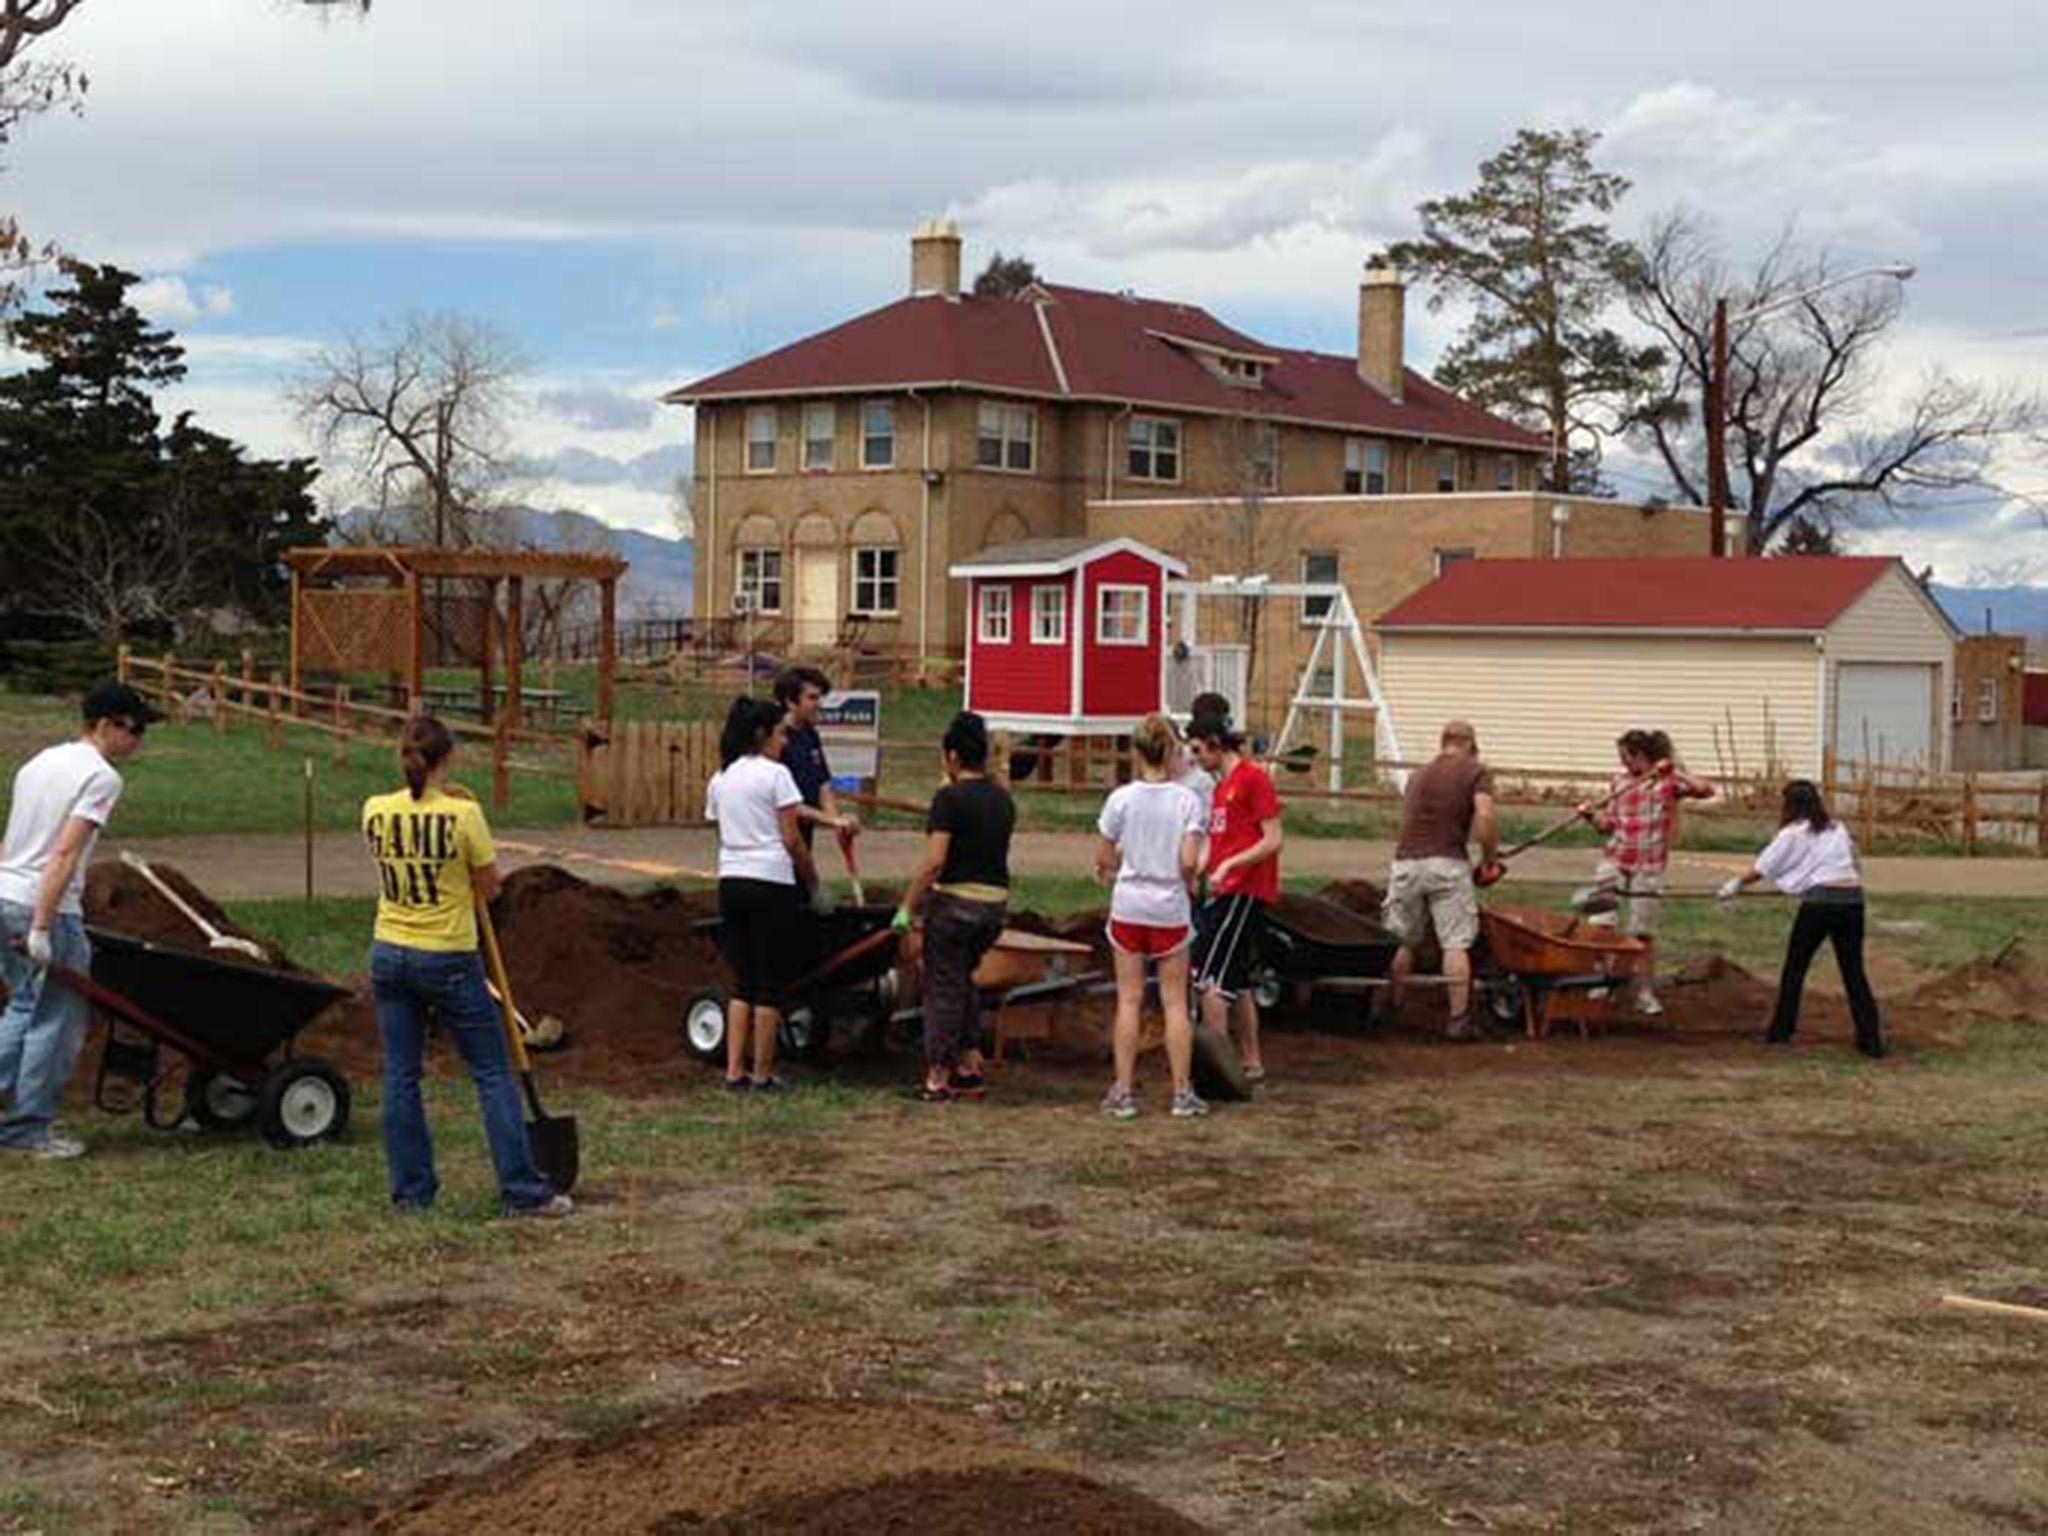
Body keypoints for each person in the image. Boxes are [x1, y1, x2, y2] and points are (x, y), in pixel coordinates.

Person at [362, 716, 571, 1216]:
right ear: (448, 759)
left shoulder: (373, 810)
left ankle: (411, 1194)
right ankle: (522, 1189)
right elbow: (491, 887)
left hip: (389, 952)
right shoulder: (463, 817)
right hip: (448, 955)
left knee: (401, 1076)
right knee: (493, 1070)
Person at [0, 682, 158, 1158]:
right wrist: (44, 927)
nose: (139, 741)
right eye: (136, 730)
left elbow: (12, 841)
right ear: (107, 724)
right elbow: (63, 852)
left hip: (6, 895)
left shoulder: (39, 763)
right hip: (44, 906)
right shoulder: (101, 777)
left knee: (22, 1008)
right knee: (58, 1019)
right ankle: (28, 1130)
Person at [894, 711, 1014, 1102]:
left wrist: (908, 906)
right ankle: (969, 1064)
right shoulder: (1002, 799)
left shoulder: (949, 799)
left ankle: (938, 1073)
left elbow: (934, 861)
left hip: (956, 904)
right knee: (963, 981)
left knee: (942, 986)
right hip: (994, 907)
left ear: (952, 757)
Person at [1094, 714, 1208, 1120]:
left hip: (1129, 904)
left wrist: (1115, 871)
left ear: (1136, 751)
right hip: (1169, 906)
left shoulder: (1120, 799)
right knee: (1175, 1002)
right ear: (1172, 750)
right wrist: (1189, 880)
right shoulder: (1187, 801)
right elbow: (1189, 860)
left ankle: (1122, 1091)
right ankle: (1181, 1092)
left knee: (1129, 999)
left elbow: (1104, 856)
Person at [1720, 780, 1884, 1057]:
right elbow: (1854, 863)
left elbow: (1764, 866)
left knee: (1795, 966)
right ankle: (1871, 1040)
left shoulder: (1793, 833)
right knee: (1854, 971)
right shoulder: (1837, 827)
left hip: (1820, 902)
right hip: (1853, 901)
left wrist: (1735, 884)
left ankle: (1781, 1030)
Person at [706, 695, 817, 1093]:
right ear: (762, 735)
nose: (785, 741)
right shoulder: (776, 776)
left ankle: (733, 1070)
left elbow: (720, 829)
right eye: (780, 733)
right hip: (770, 879)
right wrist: (812, 878)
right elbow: (791, 838)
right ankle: (762, 1072)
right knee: (770, 982)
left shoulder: (721, 778)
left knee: (743, 980)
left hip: (731, 879)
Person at [1572, 728, 1715, 1015]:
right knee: (1601, 923)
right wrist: (1590, 815)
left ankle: (1644, 991)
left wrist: (1674, 770)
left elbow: (1706, 790)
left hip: (1648, 866)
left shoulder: (1666, 783)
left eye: (1625, 757)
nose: (1622, 763)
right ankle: (1601, 982)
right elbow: (1607, 825)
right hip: (1616, 858)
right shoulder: (1619, 783)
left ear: (1640, 756)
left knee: (1642, 931)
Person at [1381, 720, 1499, 1041]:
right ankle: (1458, 1020)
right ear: (1470, 745)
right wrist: (1489, 861)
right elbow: (1485, 818)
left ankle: (1394, 1008)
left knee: (1402, 940)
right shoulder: (1476, 772)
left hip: (1405, 862)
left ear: (1443, 742)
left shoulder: (1417, 776)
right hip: (1447, 863)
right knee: (1456, 942)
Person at [1187, 713, 1283, 1081]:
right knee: (1238, 981)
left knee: (1209, 978)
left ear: (1214, 742)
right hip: (1225, 887)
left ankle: (1216, 1068)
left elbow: (1273, 838)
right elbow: (1219, 841)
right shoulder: (1219, 787)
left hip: (1243, 889)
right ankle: (1250, 1060)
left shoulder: (1252, 779)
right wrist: (1197, 868)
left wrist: (1230, 867)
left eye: (1197, 749)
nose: (1195, 758)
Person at [772, 666, 861, 851]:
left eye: (820, 697)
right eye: (812, 698)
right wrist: (832, 820)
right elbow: (785, 803)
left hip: (805, 834)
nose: (819, 704)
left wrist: (837, 823)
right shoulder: (773, 741)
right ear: (790, 701)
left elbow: (823, 784)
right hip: (778, 839)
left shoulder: (810, 734)